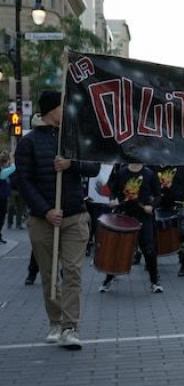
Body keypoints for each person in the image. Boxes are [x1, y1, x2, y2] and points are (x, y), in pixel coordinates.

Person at [14, 91, 100, 350]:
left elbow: (94, 167)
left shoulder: (72, 138)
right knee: (49, 273)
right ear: (52, 110)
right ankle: (56, 320)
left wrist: (70, 163)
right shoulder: (28, 143)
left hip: (75, 216)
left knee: (72, 272)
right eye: (62, 106)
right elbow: (23, 182)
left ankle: (70, 327)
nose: (66, 110)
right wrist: (45, 210)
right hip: (44, 220)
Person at [98, 163, 163, 293]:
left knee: (149, 249)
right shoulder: (121, 173)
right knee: (118, 248)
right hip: (124, 216)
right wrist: (113, 200)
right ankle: (109, 278)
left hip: (144, 217)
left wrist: (152, 206)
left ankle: (155, 281)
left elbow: (158, 195)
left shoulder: (149, 174)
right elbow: (113, 191)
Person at [0, 150, 16, 244]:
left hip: (3, 197)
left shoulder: (2, 171)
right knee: (1, 218)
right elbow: (13, 168)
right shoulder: (2, 172)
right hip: (1, 198)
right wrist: (12, 159)